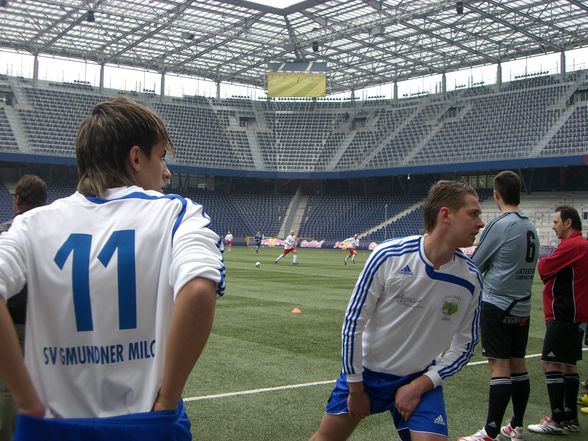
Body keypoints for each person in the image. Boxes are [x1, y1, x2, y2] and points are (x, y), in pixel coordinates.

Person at [0, 96, 225, 441]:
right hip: (146, 424)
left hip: (53, 427)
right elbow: (197, 290)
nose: (166, 171)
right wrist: (168, 399)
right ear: (136, 158)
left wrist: (28, 402)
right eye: (161, 157)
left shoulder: (32, 224)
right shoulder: (177, 214)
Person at [309, 180, 484, 441]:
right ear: (445, 215)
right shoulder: (389, 256)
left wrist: (420, 385)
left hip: (420, 378)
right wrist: (356, 389)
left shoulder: (470, 278)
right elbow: (353, 324)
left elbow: (465, 346)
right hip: (365, 376)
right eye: (473, 214)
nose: (480, 223)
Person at [458, 171, 539, 441]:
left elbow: (477, 262)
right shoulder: (530, 226)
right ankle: (516, 425)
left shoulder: (501, 224)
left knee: (499, 366)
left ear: (496, 194)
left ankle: (491, 432)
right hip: (522, 305)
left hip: (498, 303)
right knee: (518, 364)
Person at [527, 206, 588, 434]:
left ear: (568, 223)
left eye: (556, 221)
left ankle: (557, 419)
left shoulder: (573, 245)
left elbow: (544, 267)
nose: (553, 226)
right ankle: (570, 418)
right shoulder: (581, 245)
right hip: (574, 314)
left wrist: (547, 263)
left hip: (564, 313)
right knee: (568, 365)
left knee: (550, 363)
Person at [0, 174, 48, 441]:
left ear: (17, 200)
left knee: (9, 389)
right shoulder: (52, 233)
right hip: (45, 323)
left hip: (11, 323)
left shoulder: (7, 231)